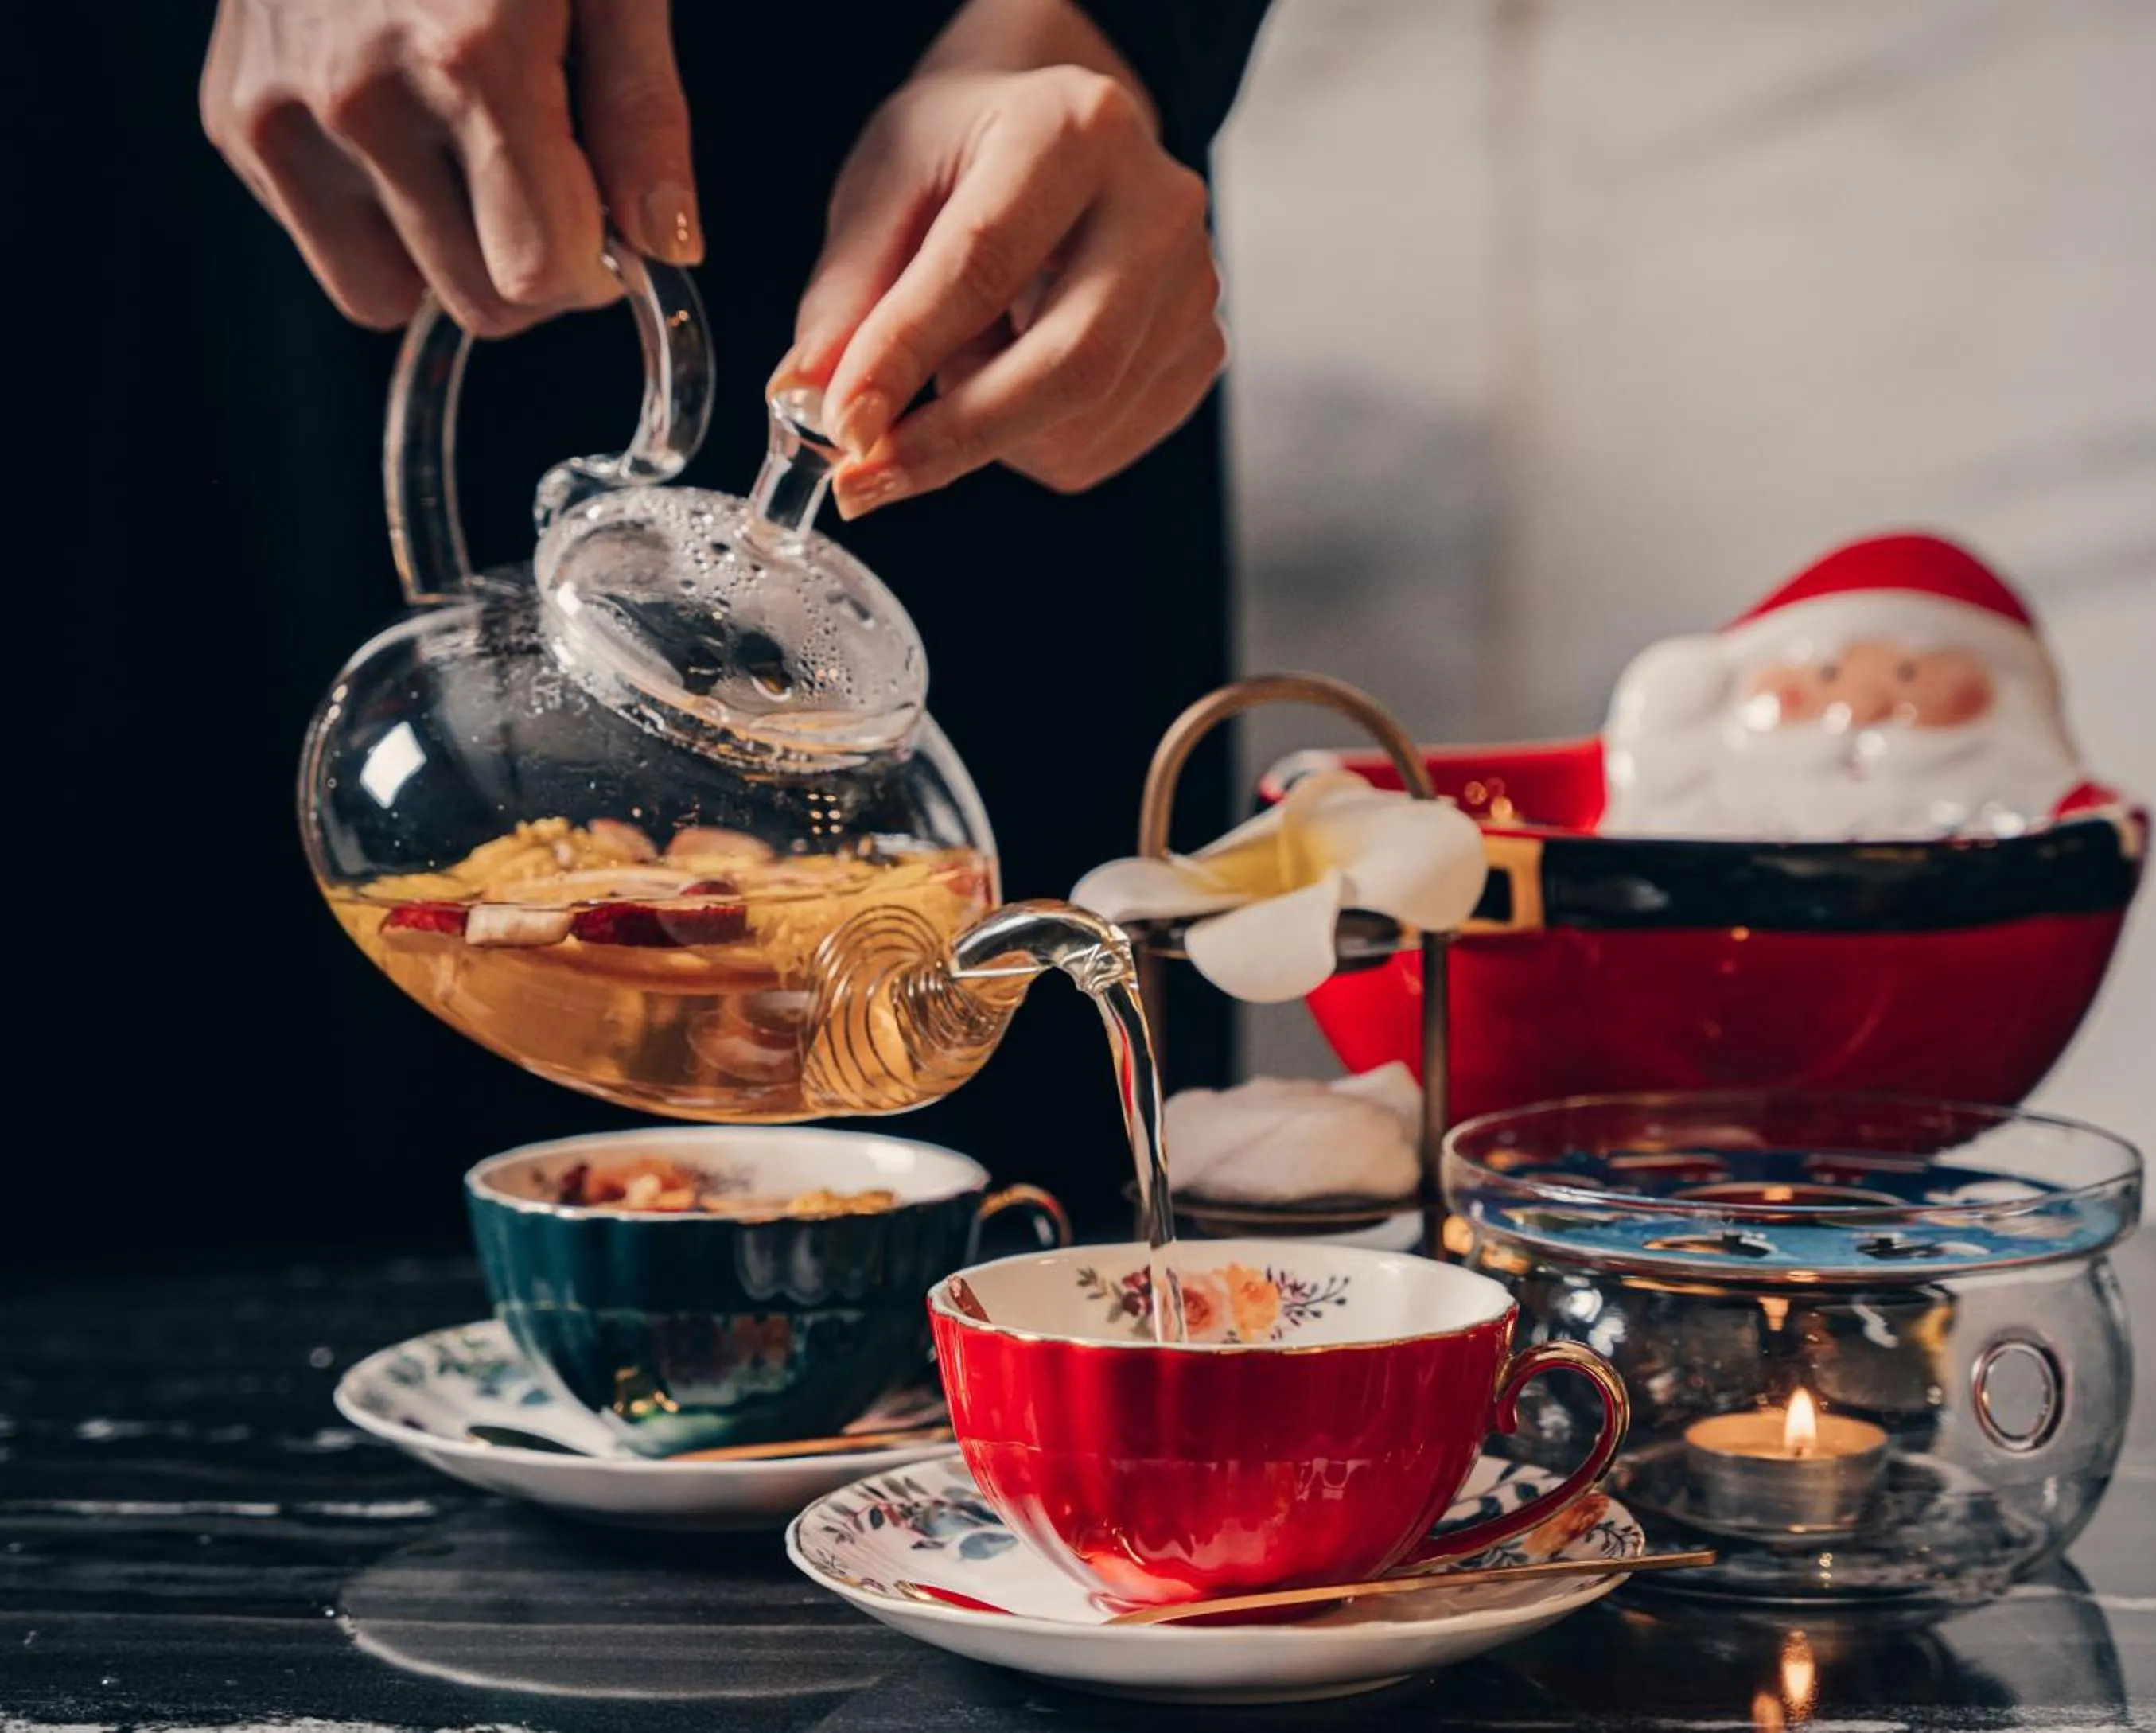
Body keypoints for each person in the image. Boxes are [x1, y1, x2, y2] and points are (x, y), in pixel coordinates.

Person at [66, 1, 1269, 1258]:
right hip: (263, 205)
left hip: (967, 231)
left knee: (1011, 1272)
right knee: (192, 1157)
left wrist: (1079, 27)